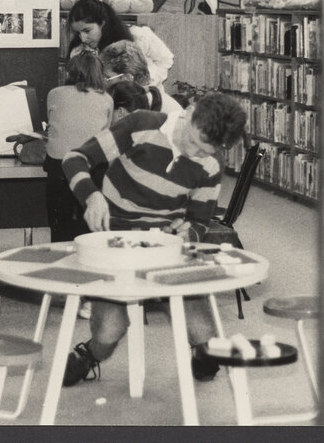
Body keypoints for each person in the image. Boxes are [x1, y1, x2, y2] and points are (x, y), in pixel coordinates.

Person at [59, 92, 247, 386]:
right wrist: (91, 196)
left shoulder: (211, 164)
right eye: (192, 143)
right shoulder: (142, 125)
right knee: (109, 333)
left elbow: (199, 220)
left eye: (203, 152)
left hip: (163, 249)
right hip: (115, 242)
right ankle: (89, 354)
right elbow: (74, 159)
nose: (193, 154)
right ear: (189, 111)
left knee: (207, 339)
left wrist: (189, 231)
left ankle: (202, 355)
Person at [44, 51, 113, 244]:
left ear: (69, 72)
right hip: (93, 172)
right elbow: (106, 132)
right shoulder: (106, 99)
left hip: (59, 169)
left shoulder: (55, 94)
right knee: (90, 232)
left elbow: (52, 122)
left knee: (60, 232)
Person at [66, 0, 174, 88]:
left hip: (144, 98)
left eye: (87, 31)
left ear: (102, 23)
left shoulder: (138, 35)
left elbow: (166, 60)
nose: (83, 39)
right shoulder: (78, 51)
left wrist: (147, 81)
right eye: (78, 33)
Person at [99, 39, 183, 114]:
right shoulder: (143, 100)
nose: (101, 83)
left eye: (106, 77)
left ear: (127, 79)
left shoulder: (159, 111)